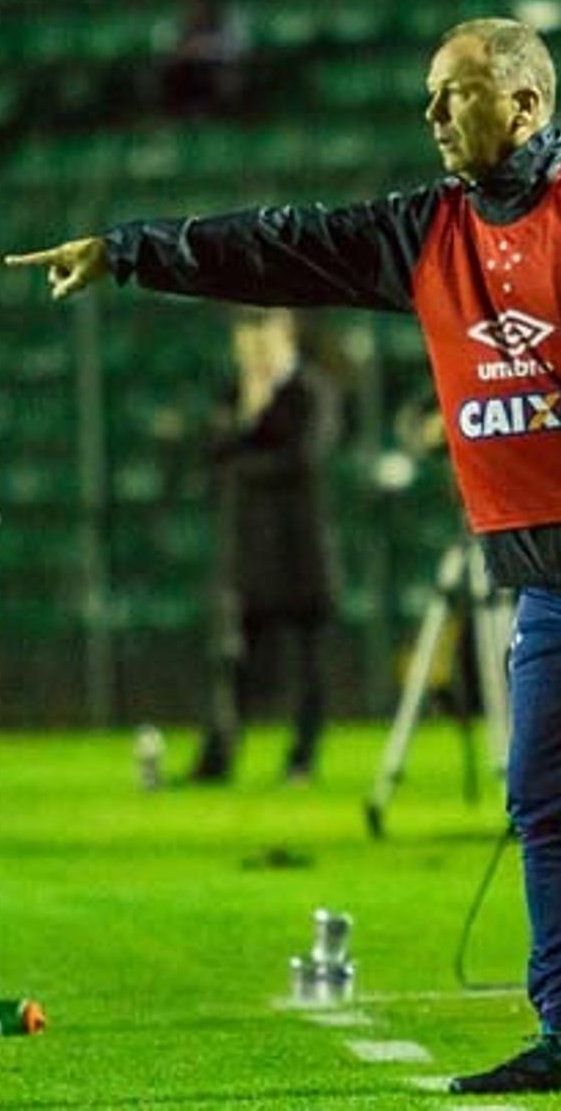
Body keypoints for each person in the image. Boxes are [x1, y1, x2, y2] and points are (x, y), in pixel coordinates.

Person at [9, 17, 561, 1094]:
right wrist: (132, 249)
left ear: (524, 104)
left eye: (453, 96)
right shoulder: (427, 230)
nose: (430, 117)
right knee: (546, 804)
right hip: (548, 584)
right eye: (430, 97)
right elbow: (283, 242)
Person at [192, 306, 339, 784]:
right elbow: (210, 457)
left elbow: (302, 459)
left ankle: (302, 756)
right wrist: (249, 415)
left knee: (307, 663)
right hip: (248, 553)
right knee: (232, 660)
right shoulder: (234, 393)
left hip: (300, 548)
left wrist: (245, 448)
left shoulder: (310, 391)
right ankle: (219, 755)